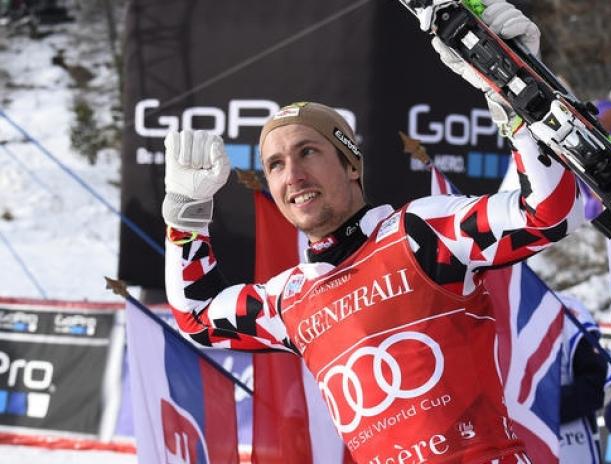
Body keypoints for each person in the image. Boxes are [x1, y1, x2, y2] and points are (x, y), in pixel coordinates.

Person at [162, 1, 584, 462]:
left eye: (307, 152)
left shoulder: (422, 233)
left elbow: (548, 213)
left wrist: (516, 92)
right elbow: (197, 318)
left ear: (351, 165)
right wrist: (186, 216)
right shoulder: (288, 299)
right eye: (275, 165)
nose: (293, 176)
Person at [557, 295, 608, 464]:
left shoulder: (562, 306)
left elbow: (595, 386)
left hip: (570, 445)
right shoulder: (485, 311)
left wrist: (540, 408)